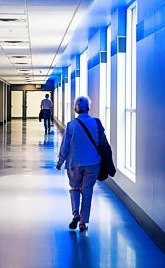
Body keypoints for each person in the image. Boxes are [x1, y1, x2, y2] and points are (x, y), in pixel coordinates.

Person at [56, 96, 109, 232]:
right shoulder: (96, 123)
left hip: (74, 163)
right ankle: (83, 223)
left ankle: (76, 214)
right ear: (88, 108)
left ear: (75, 109)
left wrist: (60, 161)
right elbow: (102, 143)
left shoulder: (71, 125)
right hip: (93, 162)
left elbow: (65, 146)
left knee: (74, 188)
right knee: (87, 191)